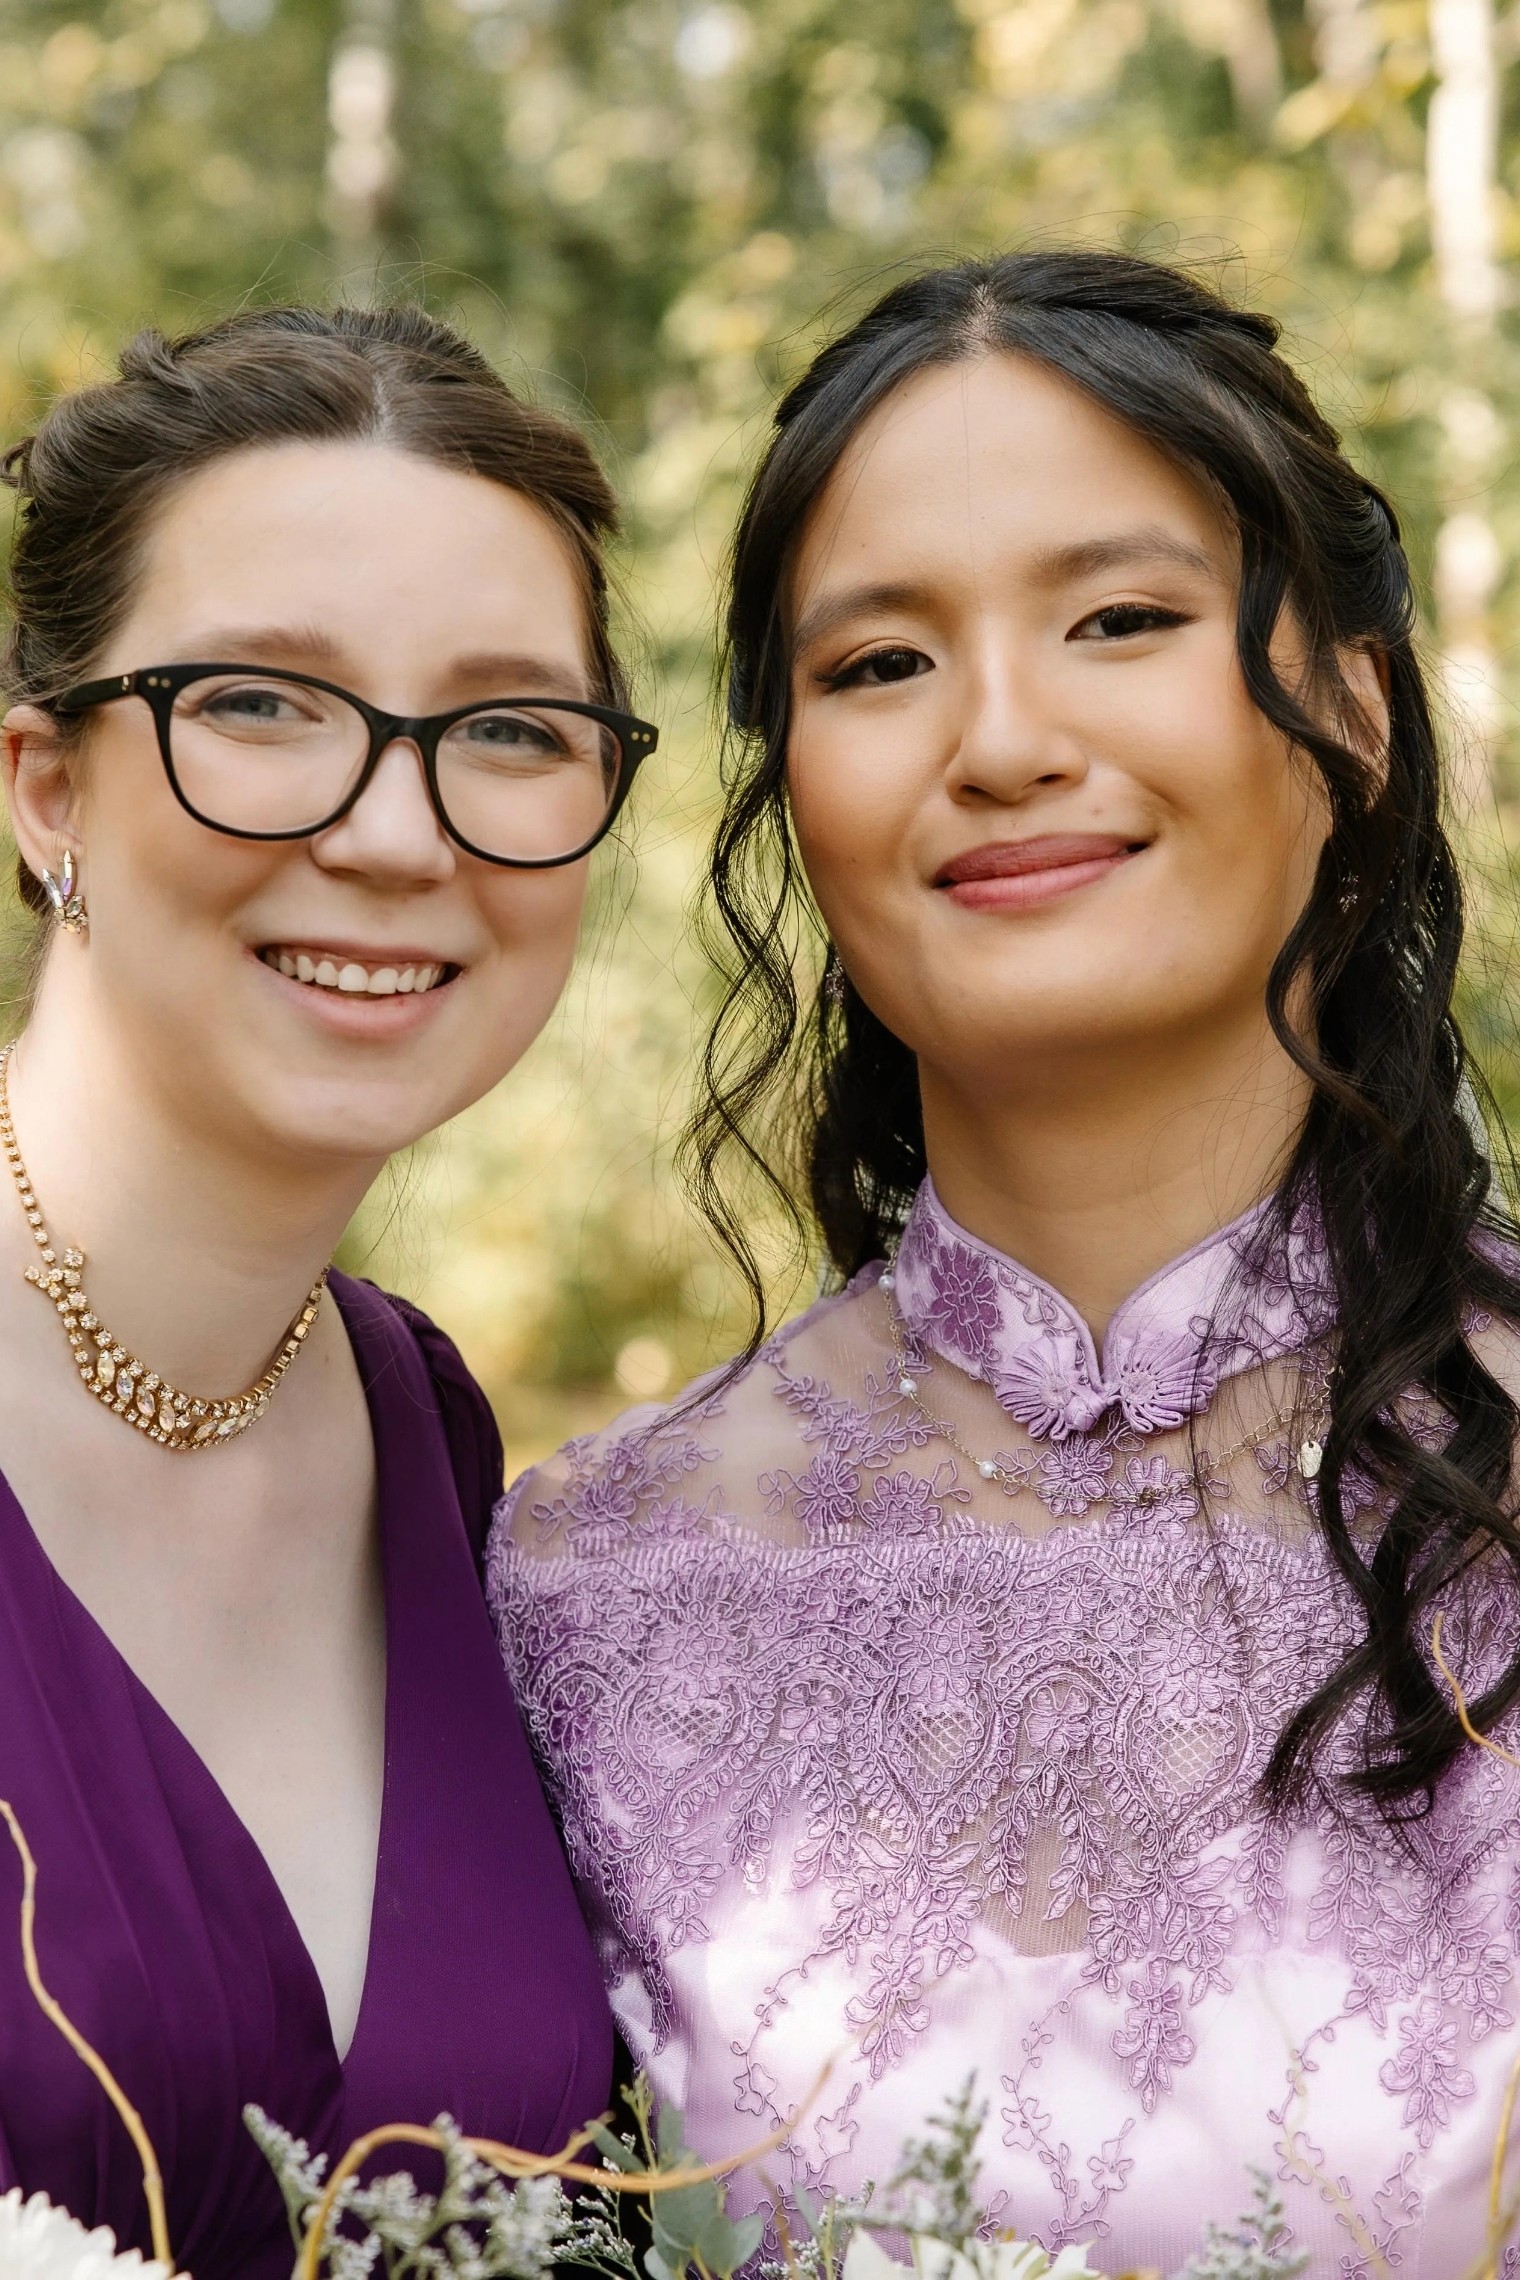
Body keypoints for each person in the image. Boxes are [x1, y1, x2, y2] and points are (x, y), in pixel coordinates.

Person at [490, 252, 1520, 2275]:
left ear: (1352, 715)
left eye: (1119, 620)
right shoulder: (587, 1591)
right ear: (795, 792)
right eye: (878, 665)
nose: (1001, 738)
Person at [0, 304, 655, 2275]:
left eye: (511, 730)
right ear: (45, 790)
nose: (393, 831)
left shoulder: (427, 1436)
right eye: (264, 702)